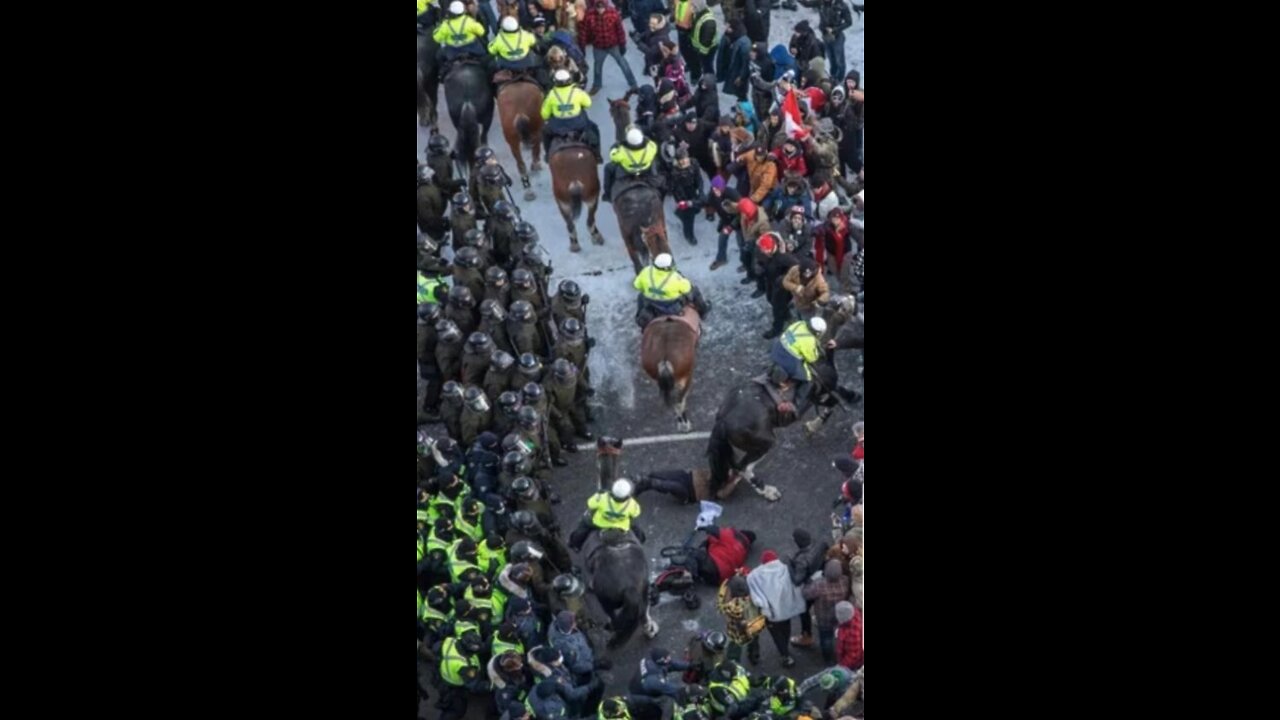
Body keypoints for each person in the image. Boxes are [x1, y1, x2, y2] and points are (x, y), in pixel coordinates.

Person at [746, 549, 807, 668]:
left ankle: (785, 654)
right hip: (786, 608)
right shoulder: (785, 568)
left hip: (772, 613)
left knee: (776, 634)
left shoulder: (755, 575)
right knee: (786, 628)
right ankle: (785, 648)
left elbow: (757, 597)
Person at [632, 252, 711, 328]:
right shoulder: (675, 277)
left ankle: (639, 317)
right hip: (672, 307)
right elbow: (687, 288)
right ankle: (703, 311)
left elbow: (636, 285)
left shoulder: (646, 271)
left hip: (651, 305)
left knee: (640, 296)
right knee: (695, 291)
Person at [769, 315, 826, 416]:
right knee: (808, 380)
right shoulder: (810, 340)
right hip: (788, 360)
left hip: (778, 348)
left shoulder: (799, 324)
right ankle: (795, 404)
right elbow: (811, 358)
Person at [579, 0, 639, 95]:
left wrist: (622, 44)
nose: (600, 10)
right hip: (598, 46)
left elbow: (620, 30)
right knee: (597, 67)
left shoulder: (613, 13)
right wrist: (582, 46)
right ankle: (597, 85)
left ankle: (633, 84)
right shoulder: (589, 15)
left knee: (623, 64)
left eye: (602, 8)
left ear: (605, 6)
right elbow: (584, 31)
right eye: (598, 8)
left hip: (613, 45)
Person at [540, 69, 602, 161]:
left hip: (557, 126)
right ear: (570, 80)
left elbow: (544, 115)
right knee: (594, 129)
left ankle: (548, 155)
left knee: (545, 132)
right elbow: (588, 104)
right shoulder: (577, 91)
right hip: (578, 124)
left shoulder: (551, 95)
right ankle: (597, 155)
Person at [568, 478, 644, 550]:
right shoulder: (631, 503)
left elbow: (590, 503)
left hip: (599, 523)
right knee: (637, 530)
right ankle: (641, 541)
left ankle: (575, 544)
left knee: (583, 527)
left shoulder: (602, 498)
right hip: (621, 526)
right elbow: (636, 513)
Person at [434, 629, 490, 720]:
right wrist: (491, 685)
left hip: (441, 678)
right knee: (456, 711)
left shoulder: (451, 641)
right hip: (454, 688)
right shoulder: (464, 665)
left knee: (446, 704)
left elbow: (436, 647)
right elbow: (474, 685)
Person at [603, 126, 661, 202]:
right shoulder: (650, 148)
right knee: (656, 162)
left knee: (608, 168)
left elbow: (613, 156)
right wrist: (647, 139)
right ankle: (661, 187)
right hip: (645, 170)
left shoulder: (622, 151)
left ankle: (608, 194)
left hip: (627, 171)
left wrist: (615, 146)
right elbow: (654, 146)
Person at [434, 2, 490, 77]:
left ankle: (441, 74)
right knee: (487, 56)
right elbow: (482, 32)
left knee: (438, 56)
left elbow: (437, 38)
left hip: (452, 52)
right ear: (463, 11)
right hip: (473, 49)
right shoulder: (469, 21)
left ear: (451, 12)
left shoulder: (446, 25)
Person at [716, 573, 763, 665]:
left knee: (736, 645)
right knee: (752, 640)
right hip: (751, 625)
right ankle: (752, 657)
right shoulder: (751, 598)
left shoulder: (731, 602)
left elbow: (723, 608)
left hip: (738, 629)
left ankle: (734, 663)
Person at [669, 146, 705, 247]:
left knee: (699, 204)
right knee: (688, 214)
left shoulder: (694, 163)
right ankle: (689, 235)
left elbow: (699, 178)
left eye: (685, 159)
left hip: (693, 187)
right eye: (681, 160)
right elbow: (676, 189)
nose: (684, 161)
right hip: (682, 192)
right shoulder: (675, 171)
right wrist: (684, 201)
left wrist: (700, 190)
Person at [834, 600, 863, 670]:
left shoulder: (853, 633)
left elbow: (853, 655)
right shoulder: (854, 614)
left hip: (853, 663)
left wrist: (841, 666)